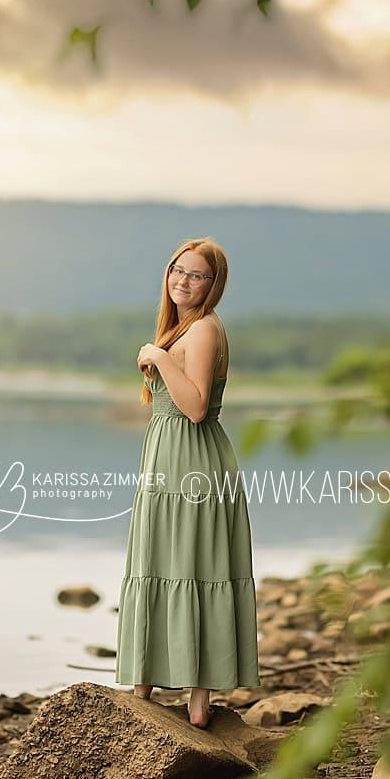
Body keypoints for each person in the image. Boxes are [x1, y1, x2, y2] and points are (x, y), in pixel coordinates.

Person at [117, 237, 260, 727]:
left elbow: (196, 408)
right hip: (169, 459)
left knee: (194, 566)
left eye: (196, 275)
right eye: (178, 269)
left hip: (191, 462)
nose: (183, 280)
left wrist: (158, 357)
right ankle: (147, 688)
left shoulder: (202, 331)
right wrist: (162, 351)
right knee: (164, 560)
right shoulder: (184, 327)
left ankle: (195, 703)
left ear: (213, 284)